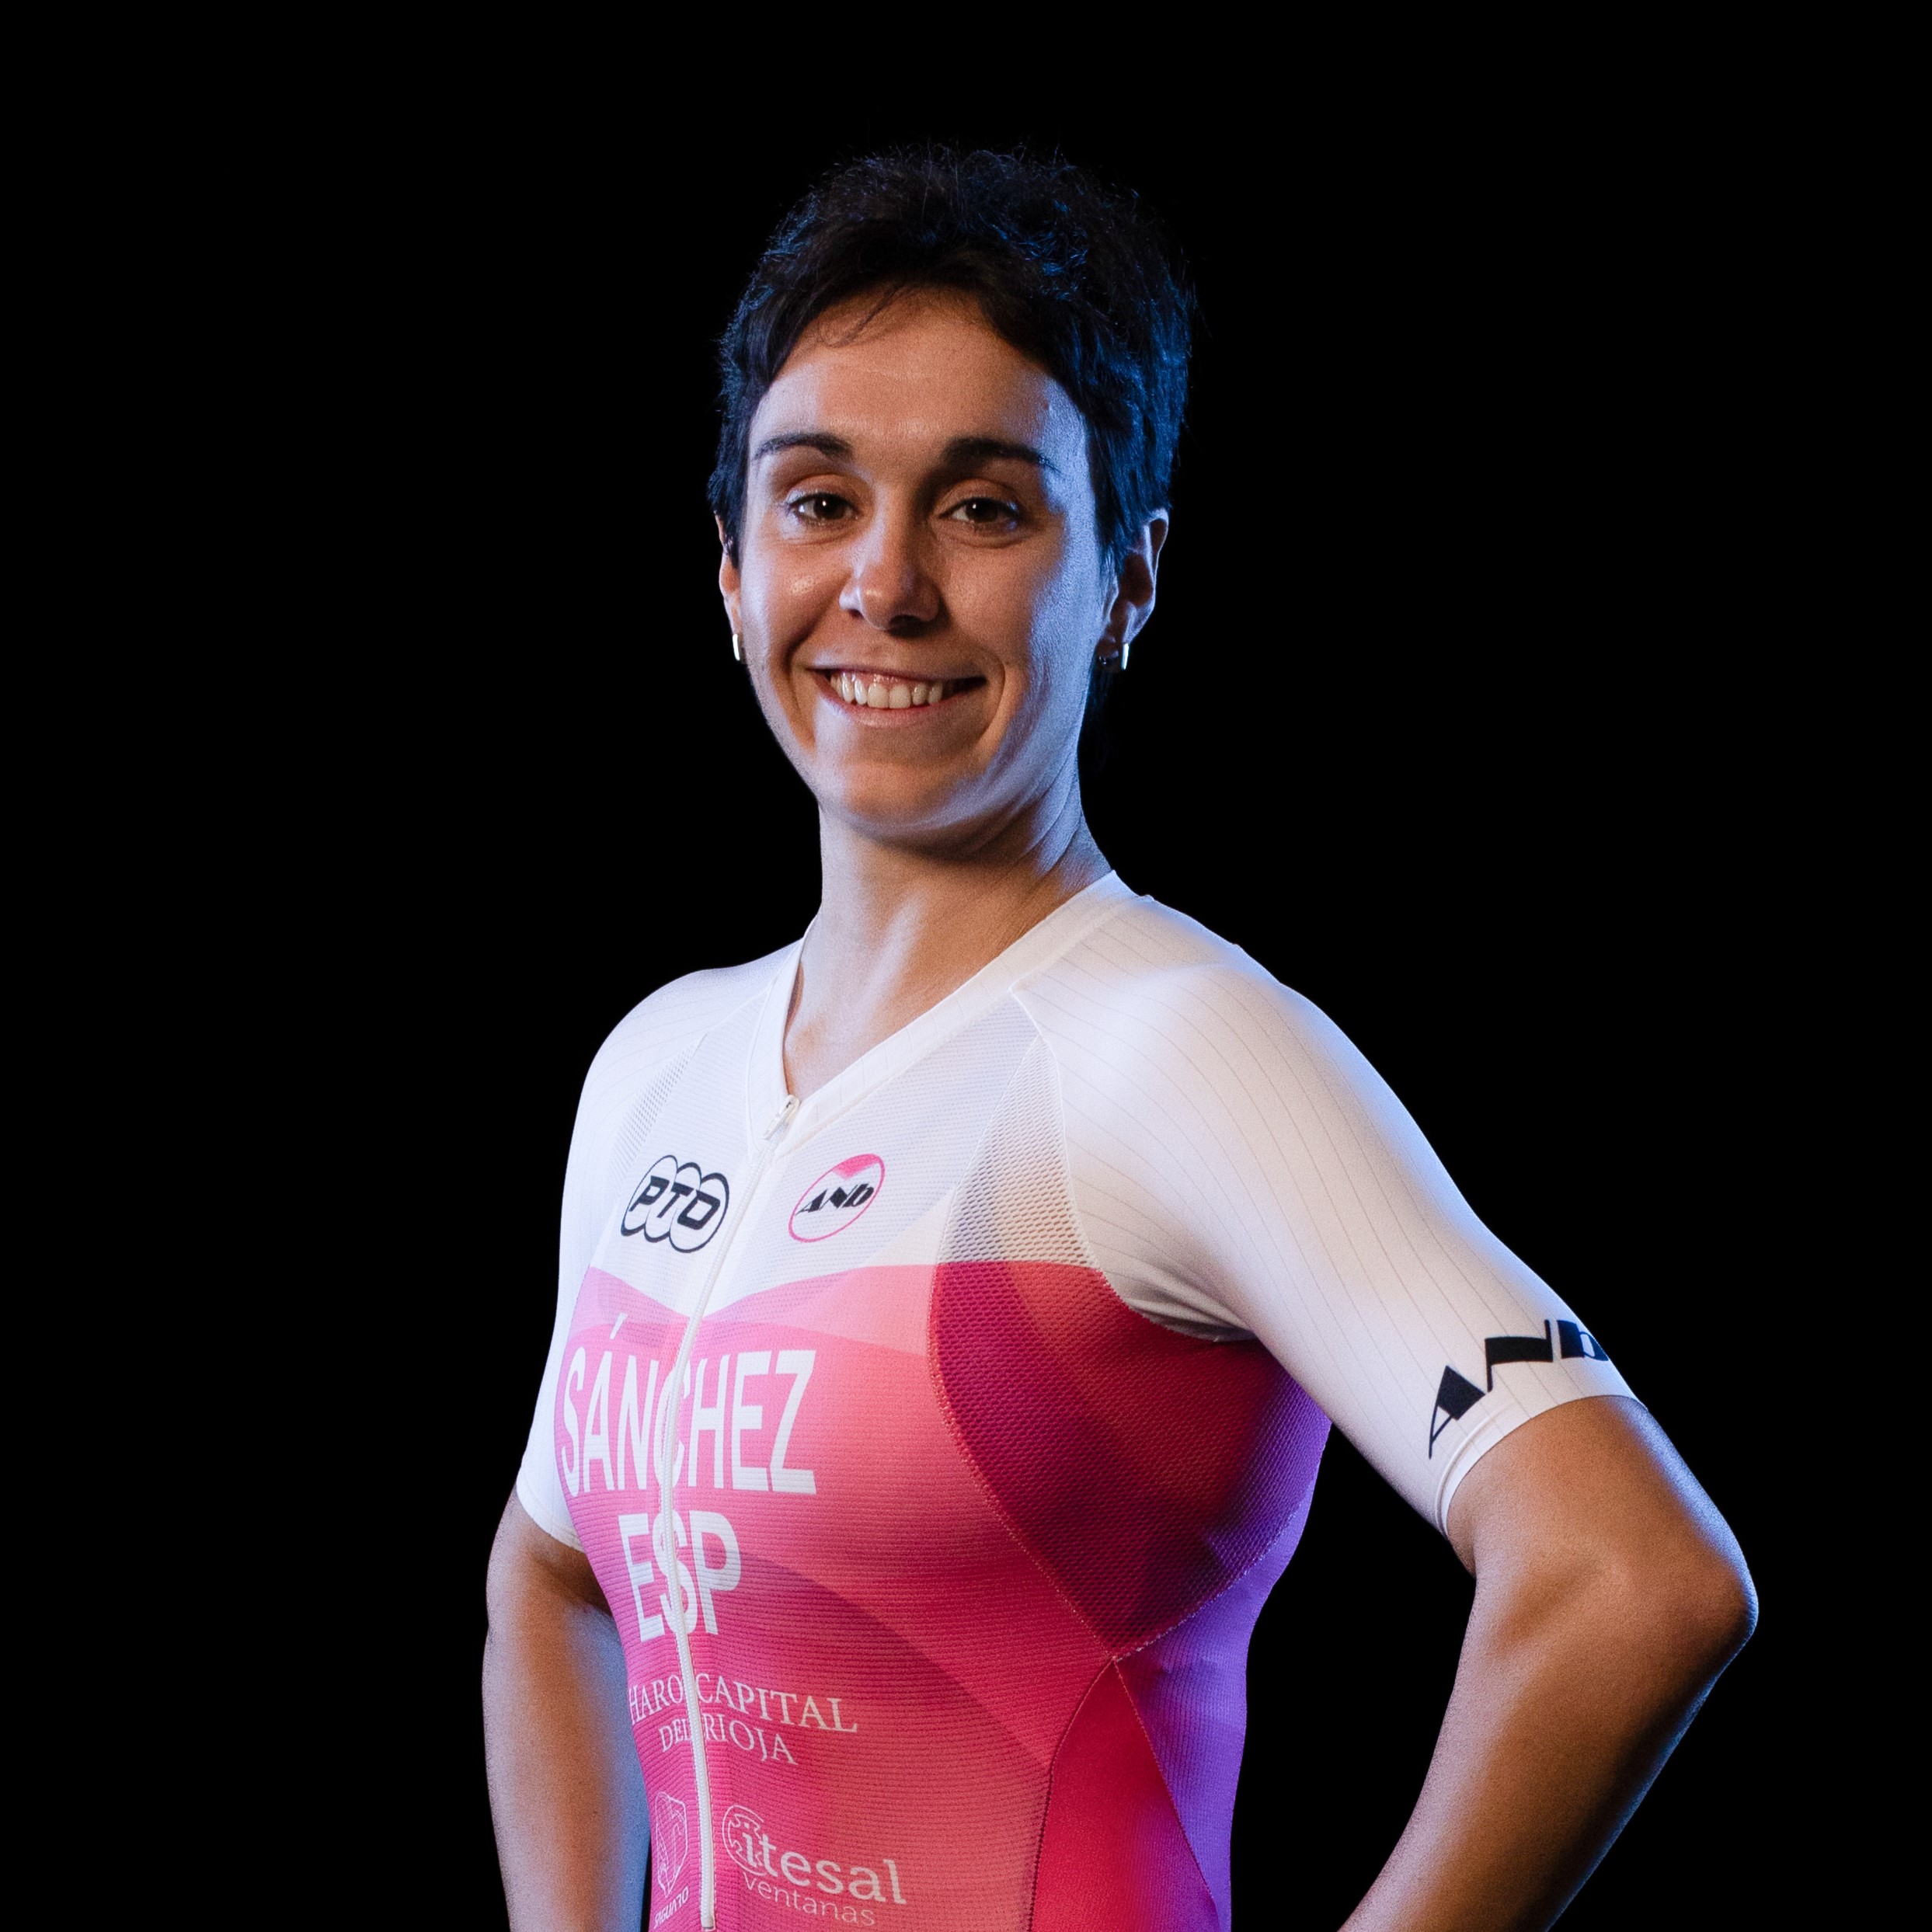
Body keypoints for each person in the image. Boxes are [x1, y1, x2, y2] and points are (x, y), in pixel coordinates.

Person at [483, 148, 1754, 1932]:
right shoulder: (654, 1067)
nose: (885, 584)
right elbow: (550, 1574)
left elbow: (1631, 1576)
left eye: (983, 508)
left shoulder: (1174, 1052)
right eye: (818, 499)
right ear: (728, 563)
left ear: (1127, 580)